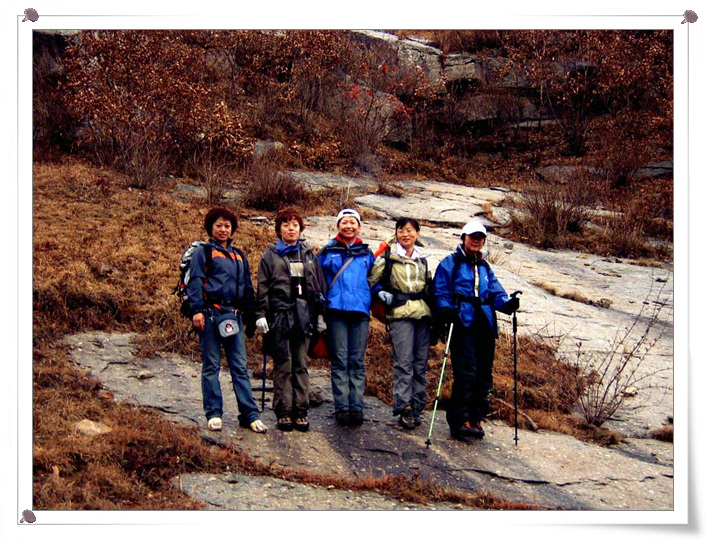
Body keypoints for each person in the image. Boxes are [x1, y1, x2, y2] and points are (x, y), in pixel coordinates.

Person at [433, 220, 520, 442]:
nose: (476, 240)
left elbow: (496, 293)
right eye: (472, 236)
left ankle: (475, 418)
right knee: (466, 372)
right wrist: (445, 309)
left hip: (485, 323)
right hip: (462, 322)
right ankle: (459, 420)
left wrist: (507, 304)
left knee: (484, 373)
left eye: (480, 237)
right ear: (463, 238)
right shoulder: (450, 263)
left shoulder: (485, 267)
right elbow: (440, 290)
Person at [186, 207, 268, 434]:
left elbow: (247, 287)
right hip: (210, 315)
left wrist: (252, 316)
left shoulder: (239, 255)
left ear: (233, 229)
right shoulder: (203, 252)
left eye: (227, 226)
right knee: (211, 365)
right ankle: (214, 413)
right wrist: (196, 310)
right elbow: (195, 281)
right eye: (218, 225)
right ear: (210, 228)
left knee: (240, 366)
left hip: (234, 316)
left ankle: (250, 415)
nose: (223, 229)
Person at [255, 207, 327, 432]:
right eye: (286, 225)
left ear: (300, 228)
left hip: (304, 315)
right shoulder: (270, 256)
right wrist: (260, 315)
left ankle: (301, 410)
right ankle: (284, 411)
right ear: (279, 229)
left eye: (295, 225)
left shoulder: (308, 255)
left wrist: (320, 315)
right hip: (280, 315)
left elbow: (317, 286)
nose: (291, 229)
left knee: (301, 364)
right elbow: (263, 288)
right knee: (283, 364)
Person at [368, 217, 433, 430]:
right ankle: (404, 407)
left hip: (422, 314)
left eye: (410, 230)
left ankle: (417, 406)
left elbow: (428, 286)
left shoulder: (423, 258)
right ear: (396, 233)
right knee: (404, 362)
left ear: (417, 233)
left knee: (420, 363)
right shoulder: (388, 256)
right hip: (399, 313)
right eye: (401, 230)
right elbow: (372, 281)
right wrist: (380, 292)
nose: (405, 234)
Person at [318, 208, 376, 427]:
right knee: (340, 360)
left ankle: (357, 406)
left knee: (357, 361)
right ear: (338, 226)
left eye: (353, 222)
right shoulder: (327, 252)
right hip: (336, 311)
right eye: (345, 222)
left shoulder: (366, 253)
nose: (349, 226)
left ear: (359, 227)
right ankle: (342, 406)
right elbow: (319, 280)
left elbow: (375, 280)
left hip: (360, 312)